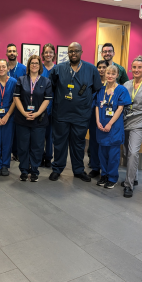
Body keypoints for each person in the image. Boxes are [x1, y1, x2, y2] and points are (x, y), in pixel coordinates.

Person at [49, 42, 103, 182]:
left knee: (78, 144)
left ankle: (78, 170)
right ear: (68, 53)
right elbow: (51, 88)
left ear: (81, 52)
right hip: (61, 113)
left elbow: (97, 90)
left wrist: (87, 104)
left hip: (81, 114)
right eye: (71, 51)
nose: (73, 54)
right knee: (59, 143)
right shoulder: (58, 69)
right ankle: (57, 168)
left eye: (76, 51)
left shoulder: (91, 69)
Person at [14, 55, 53, 182]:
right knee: (23, 146)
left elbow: (47, 100)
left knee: (37, 146)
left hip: (39, 119)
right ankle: (24, 170)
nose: (34, 65)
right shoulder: (21, 80)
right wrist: (24, 113)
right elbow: (16, 98)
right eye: (32, 63)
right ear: (28, 65)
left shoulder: (46, 82)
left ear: (40, 66)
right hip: (23, 118)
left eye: (36, 63)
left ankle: (35, 170)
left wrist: (36, 113)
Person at [122, 56, 142, 198]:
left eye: (139, 67)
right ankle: (133, 178)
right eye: (134, 67)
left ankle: (128, 185)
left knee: (133, 153)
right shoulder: (126, 84)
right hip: (124, 121)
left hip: (139, 122)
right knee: (126, 153)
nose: (136, 70)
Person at [95, 65, 131, 189]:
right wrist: (98, 121)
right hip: (101, 126)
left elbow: (120, 108)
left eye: (113, 74)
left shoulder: (121, 90)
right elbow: (96, 106)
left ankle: (112, 177)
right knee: (102, 153)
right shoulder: (101, 90)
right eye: (108, 73)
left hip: (114, 127)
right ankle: (103, 175)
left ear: (117, 76)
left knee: (113, 155)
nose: (110, 75)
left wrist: (110, 123)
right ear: (105, 74)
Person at [6, 43, 27, 162]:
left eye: (14, 51)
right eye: (9, 51)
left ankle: (17, 152)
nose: (12, 53)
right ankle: (7, 152)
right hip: (5, 103)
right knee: (7, 129)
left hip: (19, 103)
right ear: (6, 54)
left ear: (17, 53)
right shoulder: (3, 67)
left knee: (18, 129)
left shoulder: (23, 69)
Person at [88, 60, 108, 178]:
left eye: (104, 67)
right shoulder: (93, 82)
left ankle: (105, 168)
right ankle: (95, 167)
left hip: (106, 117)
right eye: (99, 67)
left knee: (105, 143)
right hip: (93, 116)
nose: (101, 69)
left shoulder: (112, 83)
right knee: (94, 142)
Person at [41, 43, 55, 168]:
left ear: (54, 55)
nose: (48, 54)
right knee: (39, 133)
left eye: (51, 52)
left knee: (50, 134)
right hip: (39, 106)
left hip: (53, 106)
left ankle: (48, 158)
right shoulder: (38, 68)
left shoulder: (58, 69)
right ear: (43, 55)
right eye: (46, 52)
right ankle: (39, 156)